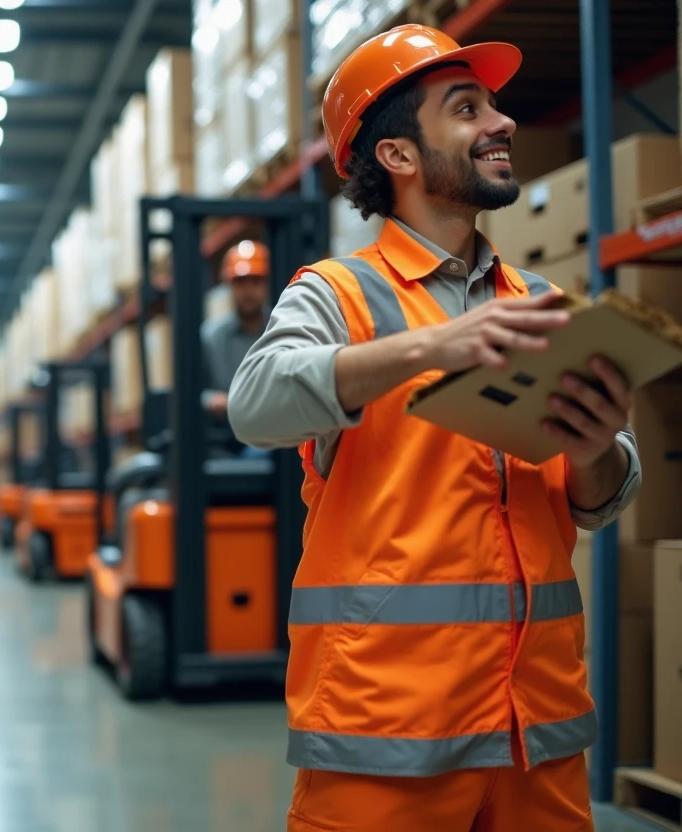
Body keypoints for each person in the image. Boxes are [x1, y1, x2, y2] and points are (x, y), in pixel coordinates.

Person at [227, 25, 640, 832]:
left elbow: (597, 499)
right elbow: (256, 402)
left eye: (494, 105)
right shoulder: (337, 294)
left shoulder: (532, 298)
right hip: (389, 736)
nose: (503, 123)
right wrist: (427, 346)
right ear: (400, 157)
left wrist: (594, 448)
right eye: (466, 108)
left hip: (538, 735)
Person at [202, 240, 271, 457]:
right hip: (228, 437)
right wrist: (212, 400)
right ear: (228, 286)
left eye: (255, 281)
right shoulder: (211, 337)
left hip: (276, 430)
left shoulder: (283, 328)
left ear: (266, 285)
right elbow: (195, 392)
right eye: (240, 282)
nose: (248, 291)